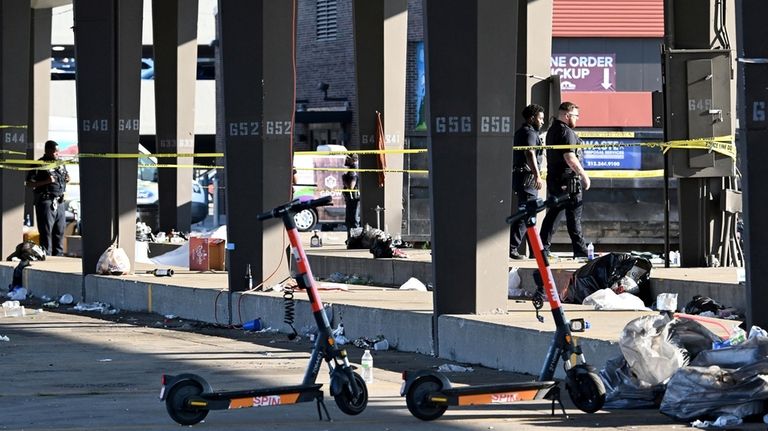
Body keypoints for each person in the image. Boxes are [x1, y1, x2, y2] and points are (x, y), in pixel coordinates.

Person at [539, 102, 591, 258]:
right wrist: (583, 175)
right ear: (567, 115)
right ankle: (580, 251)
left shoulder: (552, 130)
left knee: (554, 214)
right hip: (568, 180)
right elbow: (569, 157)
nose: (577, 119)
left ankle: (542, 249)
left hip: (555, 178)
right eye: (576, 116)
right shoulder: (566, 132)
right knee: (574, 215)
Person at [509, 104, 545, 259]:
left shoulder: (523, 132)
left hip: (523, 177)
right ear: (532, 118)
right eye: (540, 118)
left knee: (530, 214)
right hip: (527, 177)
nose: (542, 121)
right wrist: (537, 175)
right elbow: (529, 153)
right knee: (527, 214)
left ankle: (535, 251)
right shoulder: (529, 133)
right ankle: (512, 247)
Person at [25, 140, 69, 256]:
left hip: (59, 201)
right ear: (48, 151)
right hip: (46, 200)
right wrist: (46, 181)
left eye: (58, 152)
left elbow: (64, 176)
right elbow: (29, 183)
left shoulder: (60, 163)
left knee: (59, 231)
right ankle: (47, 257)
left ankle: (58, 257)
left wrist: (67, 179)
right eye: (55, 151)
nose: (57, 154)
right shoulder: (39, 164)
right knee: (46, 232)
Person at [341, 154, 361, 240]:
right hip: (354, 199)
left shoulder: (352, 171)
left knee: (352, 220)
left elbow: (351, 187)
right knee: (353, 220)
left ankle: (353, 239)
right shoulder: (356, 169)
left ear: (351, 160)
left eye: (347, 158)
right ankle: (352, 239)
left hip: (353, 199)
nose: (345, 160)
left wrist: (344, 179)